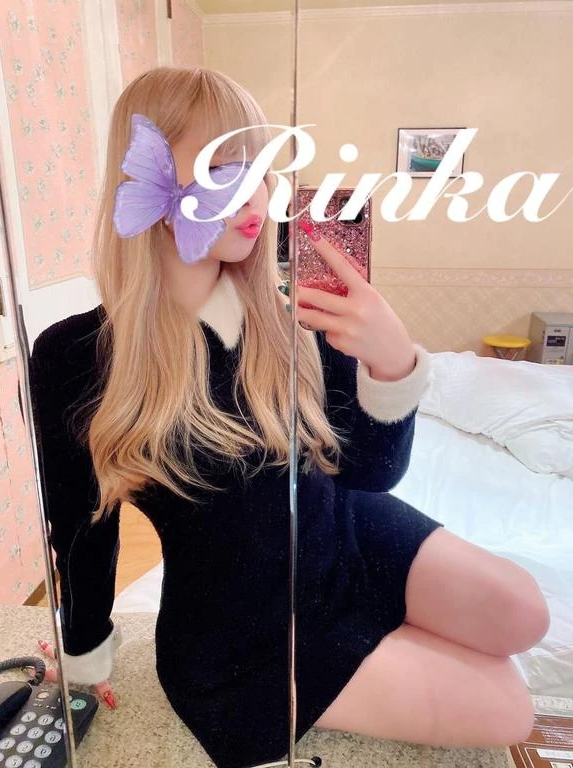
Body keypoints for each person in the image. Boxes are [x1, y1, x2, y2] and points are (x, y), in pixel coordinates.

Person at [29, 66, 550, 768]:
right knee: (508, 706)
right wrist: (85, 652)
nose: (257, 196)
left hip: (348, 533)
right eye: (224, 170)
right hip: (242, 628)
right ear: (144, 181)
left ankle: (377, 644)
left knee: (525, 612)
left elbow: (368, 473)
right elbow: (82, 525)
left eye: (263, 168)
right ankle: (360, 658)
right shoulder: (78, 356)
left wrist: (392, 367)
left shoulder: (293, 318)